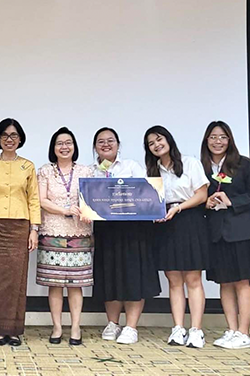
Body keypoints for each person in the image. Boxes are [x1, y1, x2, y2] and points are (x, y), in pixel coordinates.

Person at [0, 118, 40, 346]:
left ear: (20, 139)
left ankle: (13, 329)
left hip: (20, 227)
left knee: (16, 279)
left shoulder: (28, 166)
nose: (9, 140)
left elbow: (34, 199)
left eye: (13, 135)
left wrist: (34, 230)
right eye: (4, 135)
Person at [200, 121, 250, 349]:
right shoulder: (201, 166)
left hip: (241, 231)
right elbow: (195, 195)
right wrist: (205, 203)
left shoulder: (245, 165)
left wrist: (232, 202)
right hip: (216, 233)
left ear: (230, 140)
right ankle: (231, 329)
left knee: (242, 281)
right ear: (206, 140)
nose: (217, 142)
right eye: (213, 137)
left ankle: (244, 333)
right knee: (224, 282)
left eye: (222, 137)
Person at [91, 127, 160, 345]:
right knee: (109, 275)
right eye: (100, 141)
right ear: (95, 147)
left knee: (133, 275)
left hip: (132, 230)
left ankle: (131, 326)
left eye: (110, 140)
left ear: (118, 144)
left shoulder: (131, 166)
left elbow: (146, 193)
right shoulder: (92, 171)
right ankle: (112, 323)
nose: (106, 144)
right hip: (106, 231)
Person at [144, 125, 209, 348]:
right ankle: (178, 328)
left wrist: (178, 208)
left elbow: (202, 194)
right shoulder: (153, 171)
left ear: (169, 139)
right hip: (164, 225)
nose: (156, 145)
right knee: (173, 280)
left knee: (192, 278)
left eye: (159, 139)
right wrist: (154, 213)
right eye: (151, 143)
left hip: (189, 221)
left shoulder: (190, 163)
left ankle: (196, 330)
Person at [36, 127, 93, 346]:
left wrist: (86, 211)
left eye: (68, 142)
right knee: (55, 283)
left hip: (80, 232)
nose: (64, 147)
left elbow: (91, 198)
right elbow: (42, 200)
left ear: (74, 146)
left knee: (76, 284)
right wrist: (65, 210)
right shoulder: (45, 171)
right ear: (53, 148)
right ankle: (57, 327)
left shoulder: (86, 171)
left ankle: (76, 327)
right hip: (52, 232)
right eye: (60, 143)